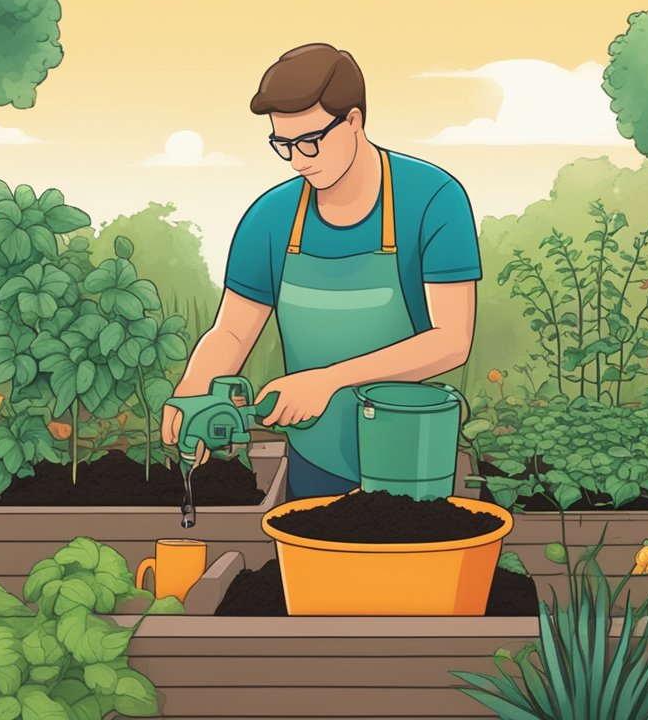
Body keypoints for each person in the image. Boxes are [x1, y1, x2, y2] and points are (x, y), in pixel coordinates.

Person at [161, 43, 481, 499]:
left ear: (353, 121)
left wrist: (329, 380)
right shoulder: (270, 218)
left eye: (310, 141)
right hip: (315, 458)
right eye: (283, 144)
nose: (298, 159)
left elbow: (451, 340)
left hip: (409, 456)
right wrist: (195, 386)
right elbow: (231, 332)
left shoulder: (432, 199)